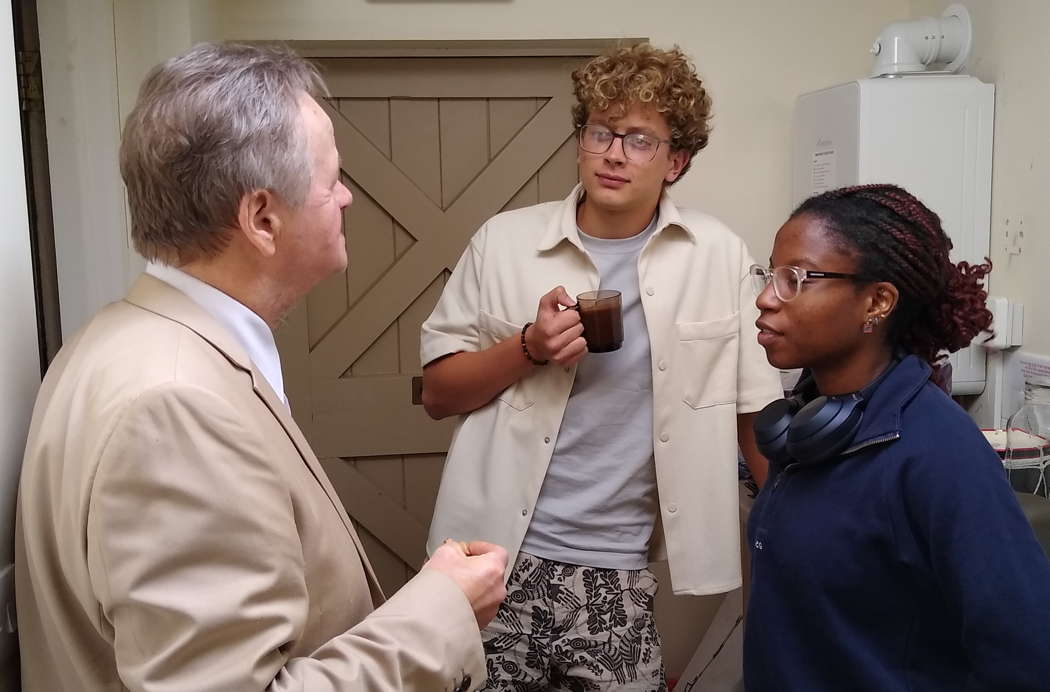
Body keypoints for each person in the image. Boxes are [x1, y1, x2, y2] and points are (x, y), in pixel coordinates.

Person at [15, 42, 507, 692]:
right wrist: (443, 610)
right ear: (262, 217)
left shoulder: (123, 339)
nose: (348, 198)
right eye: (331, 179)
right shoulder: (173, 406)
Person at [420, 43, 782, 690]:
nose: (614, 154)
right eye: (601, 132)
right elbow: (439, 394)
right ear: (581, 139)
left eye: (640, 140)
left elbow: (754, 412)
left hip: (617, 569)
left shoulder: (717, 255)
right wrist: (528, 346)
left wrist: (788, 540)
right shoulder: (505, 242)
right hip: (493, 560)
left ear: (677, 160)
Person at [744, 183, 1050, 691]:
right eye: (768, 274)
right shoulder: (805, 427)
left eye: (794, 278)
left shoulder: (938, 454)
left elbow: (1027, 655)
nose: (765, 298)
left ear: (878, 301)